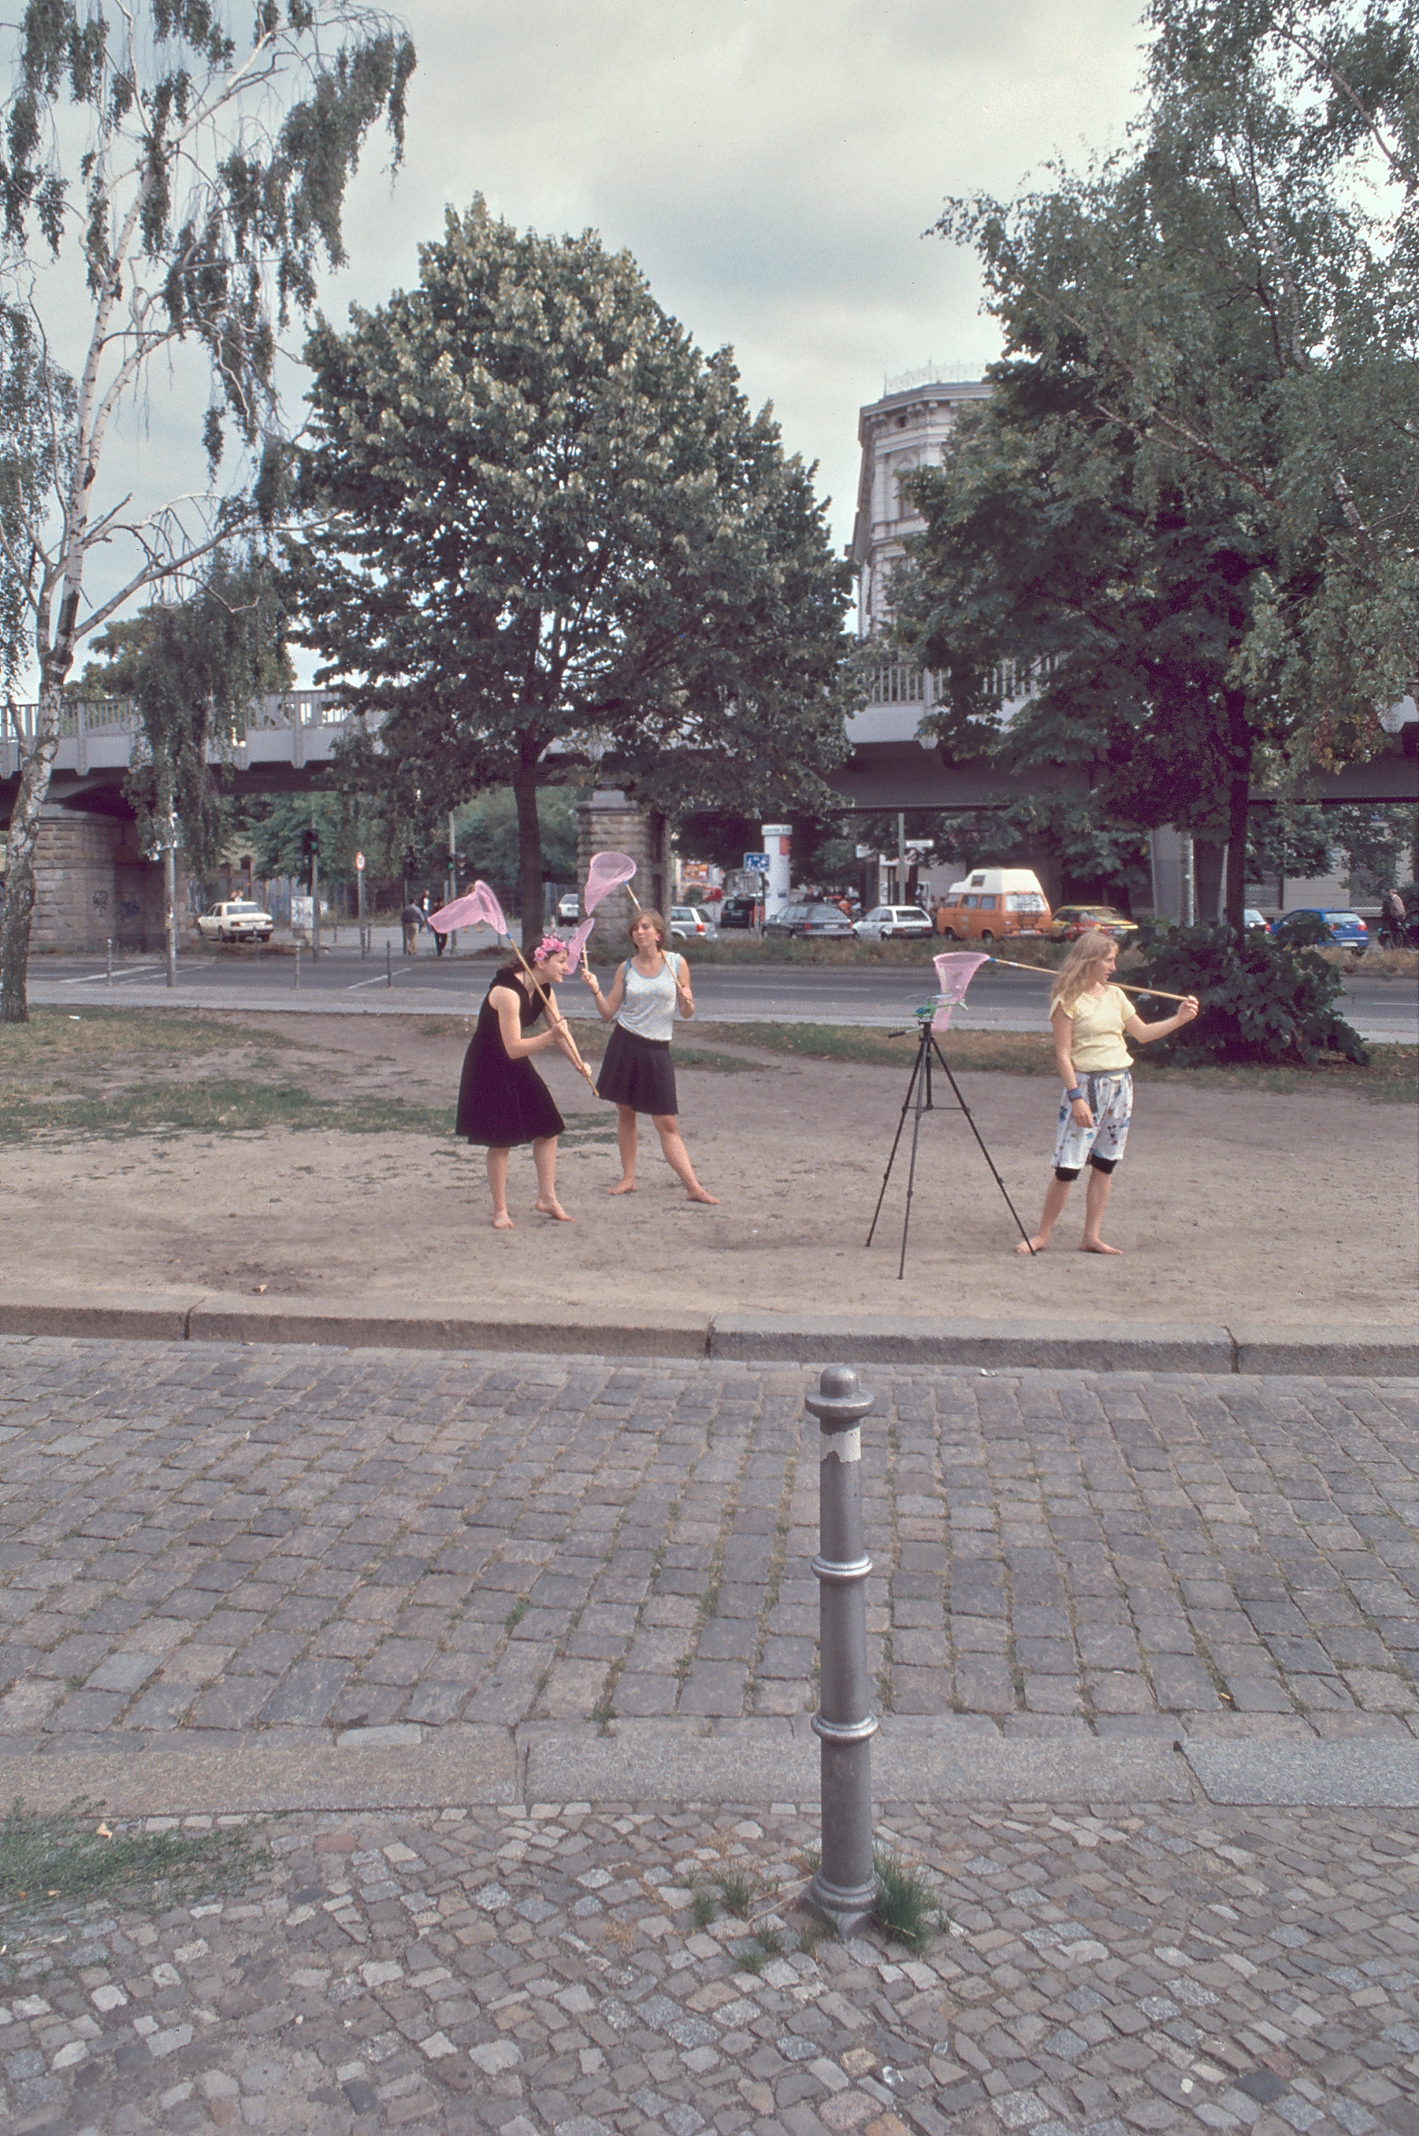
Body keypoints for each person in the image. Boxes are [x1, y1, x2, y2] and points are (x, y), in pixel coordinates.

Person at [1014, 929, 1199, 1257]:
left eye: (1114, 960)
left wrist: (1180, 1019)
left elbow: (1142, 1033)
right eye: (1108, 960)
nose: (1114, 967)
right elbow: (1063, 1055)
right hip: (1085, 1086)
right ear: (1089, 960)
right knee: (1068, 1168)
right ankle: (1041, 1235)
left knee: (1105, 1164)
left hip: (1119, 1086)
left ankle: (1091, 1236)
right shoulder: (1067, 1000)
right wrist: (1076, 1098)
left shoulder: (1115, 995)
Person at [581, 909, 719, 1204]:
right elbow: (607, 1012)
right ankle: (628, 1178)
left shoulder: (676, 963)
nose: (640, 932)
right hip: (625, 1043)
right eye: (635, 928)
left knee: (666, 1122)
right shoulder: (626, 968)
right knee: (625, 1113)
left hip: (657, 1049)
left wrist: (688, 1002)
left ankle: (693, 1187)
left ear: (658, 934)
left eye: (645, 927)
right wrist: (594, 990)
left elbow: (686, 1012)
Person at [456, 937, 583, 1229]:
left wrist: (578, 1063)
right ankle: (500, 1210)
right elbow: (513, 1047)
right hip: (488, 1064)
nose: (567, 968)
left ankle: (547, 1198)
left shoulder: (544, 989)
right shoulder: (507, 992)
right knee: (501, 1139)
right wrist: (550, 1036)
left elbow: (560, 1030)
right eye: (561, 962)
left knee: (549, 1126)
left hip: (514, 1060)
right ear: (541, 961)